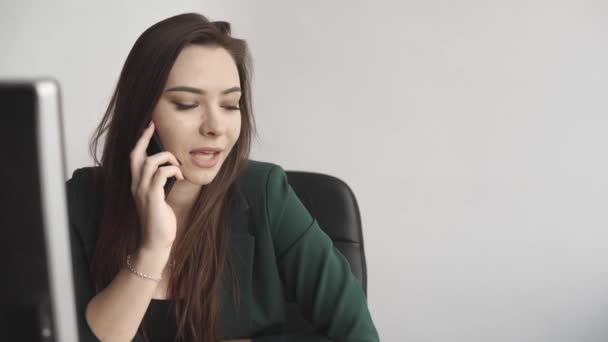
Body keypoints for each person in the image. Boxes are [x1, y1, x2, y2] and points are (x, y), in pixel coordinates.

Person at [66, 12, 379, 342]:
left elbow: (358, 334)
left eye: (231, 104)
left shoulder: (265, 192)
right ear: (141, 112)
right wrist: (152, 250)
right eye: (187, 104)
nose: (215, 127)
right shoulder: (80, 201)